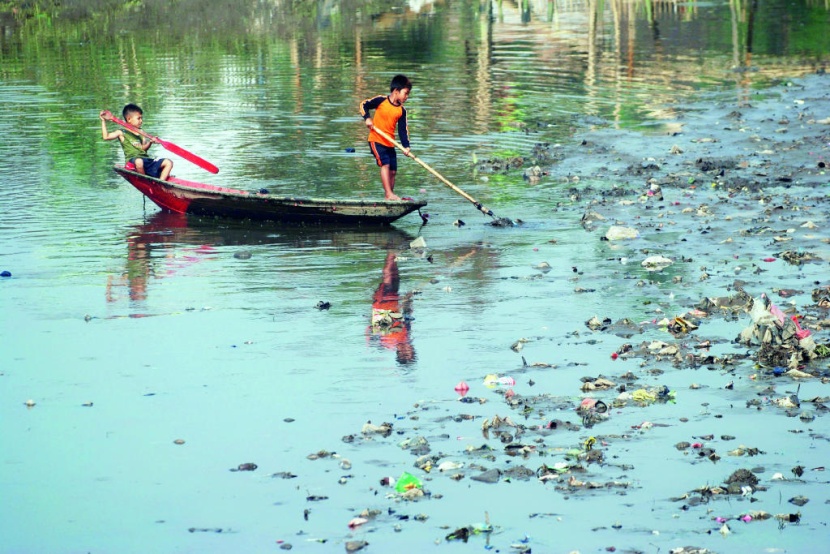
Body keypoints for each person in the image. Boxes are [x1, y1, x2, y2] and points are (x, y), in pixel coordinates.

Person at [359, 74, 413, 200]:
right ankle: (389, 193)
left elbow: (403, 131)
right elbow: (363, 105)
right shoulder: (381, 100)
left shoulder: (401, 111)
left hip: (390, 143)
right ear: (396, 91)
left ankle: (388, 197)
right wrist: (367, 118)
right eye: (405, 93)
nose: (407, 97)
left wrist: (406, 147)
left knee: (393, 171)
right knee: (385, 165)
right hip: (376, 139)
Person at [100, 104, 173, 181]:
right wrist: (103, 121)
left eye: (141, 118)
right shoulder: (121, 132)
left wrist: (150, 142)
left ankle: (160, 183)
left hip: (146, 160)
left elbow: (143, 149)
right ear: (129, 119)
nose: (141, 121)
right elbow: (106, 137)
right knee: (139, 161)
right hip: (133, 162)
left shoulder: (141, 132)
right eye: (138, 118)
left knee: (168, 162)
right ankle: (145, 182)